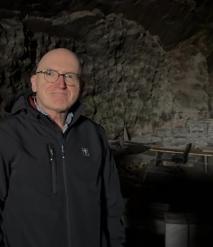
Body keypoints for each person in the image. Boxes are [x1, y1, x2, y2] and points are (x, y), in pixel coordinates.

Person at [0, 48, 125, 247]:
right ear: (34, 82)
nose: (61, 83)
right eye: (50, 74)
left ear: (80, 86)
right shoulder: (7, 135)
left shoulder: (94, 135)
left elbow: (113, 208)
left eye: (70, 76)